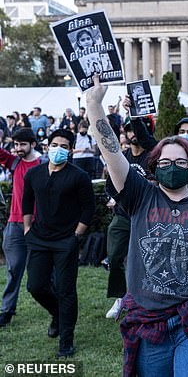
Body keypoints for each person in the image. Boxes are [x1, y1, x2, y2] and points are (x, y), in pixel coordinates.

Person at [85, 75, 188, 376]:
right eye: (165, 162)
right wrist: (94, 105)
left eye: (181, 162)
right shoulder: (140, 195)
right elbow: (112, 152)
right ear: (155, 167)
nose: (172, 167)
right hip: (148, 317)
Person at [22, 129, 96, 358]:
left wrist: (76, 235)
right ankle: (57, 314)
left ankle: (67, 341)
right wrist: (26, 229)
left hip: (66, 241)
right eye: (55, 144)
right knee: (35, 286)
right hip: (39, 239)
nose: (58, 149)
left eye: (64, 146)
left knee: (66, 291)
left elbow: (89, 208)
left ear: (71, 150)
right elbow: (27, 202)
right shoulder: (33, 174)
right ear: (47, 146)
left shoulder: (78, 176)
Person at [104, 122, 154, 319]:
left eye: (136, 129)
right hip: (123, 215)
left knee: (145, 261)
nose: (133, 134)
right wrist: (114, 197)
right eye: (129, 130)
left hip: (146, 216)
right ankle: (120, 296)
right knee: (115, 257)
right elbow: (111, 182)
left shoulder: (152, 156)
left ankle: (144, 299)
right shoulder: (122, 157)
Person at [0, 129, 42, 328]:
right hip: (14, 225)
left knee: (44, 272)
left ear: (32, 144)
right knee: (13, 270)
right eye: (15, 145)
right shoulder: (14, 162)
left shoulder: (43, 164)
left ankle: (56, 308)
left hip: (39, 226)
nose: (18, 148)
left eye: (22, 145)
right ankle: (7, 311)